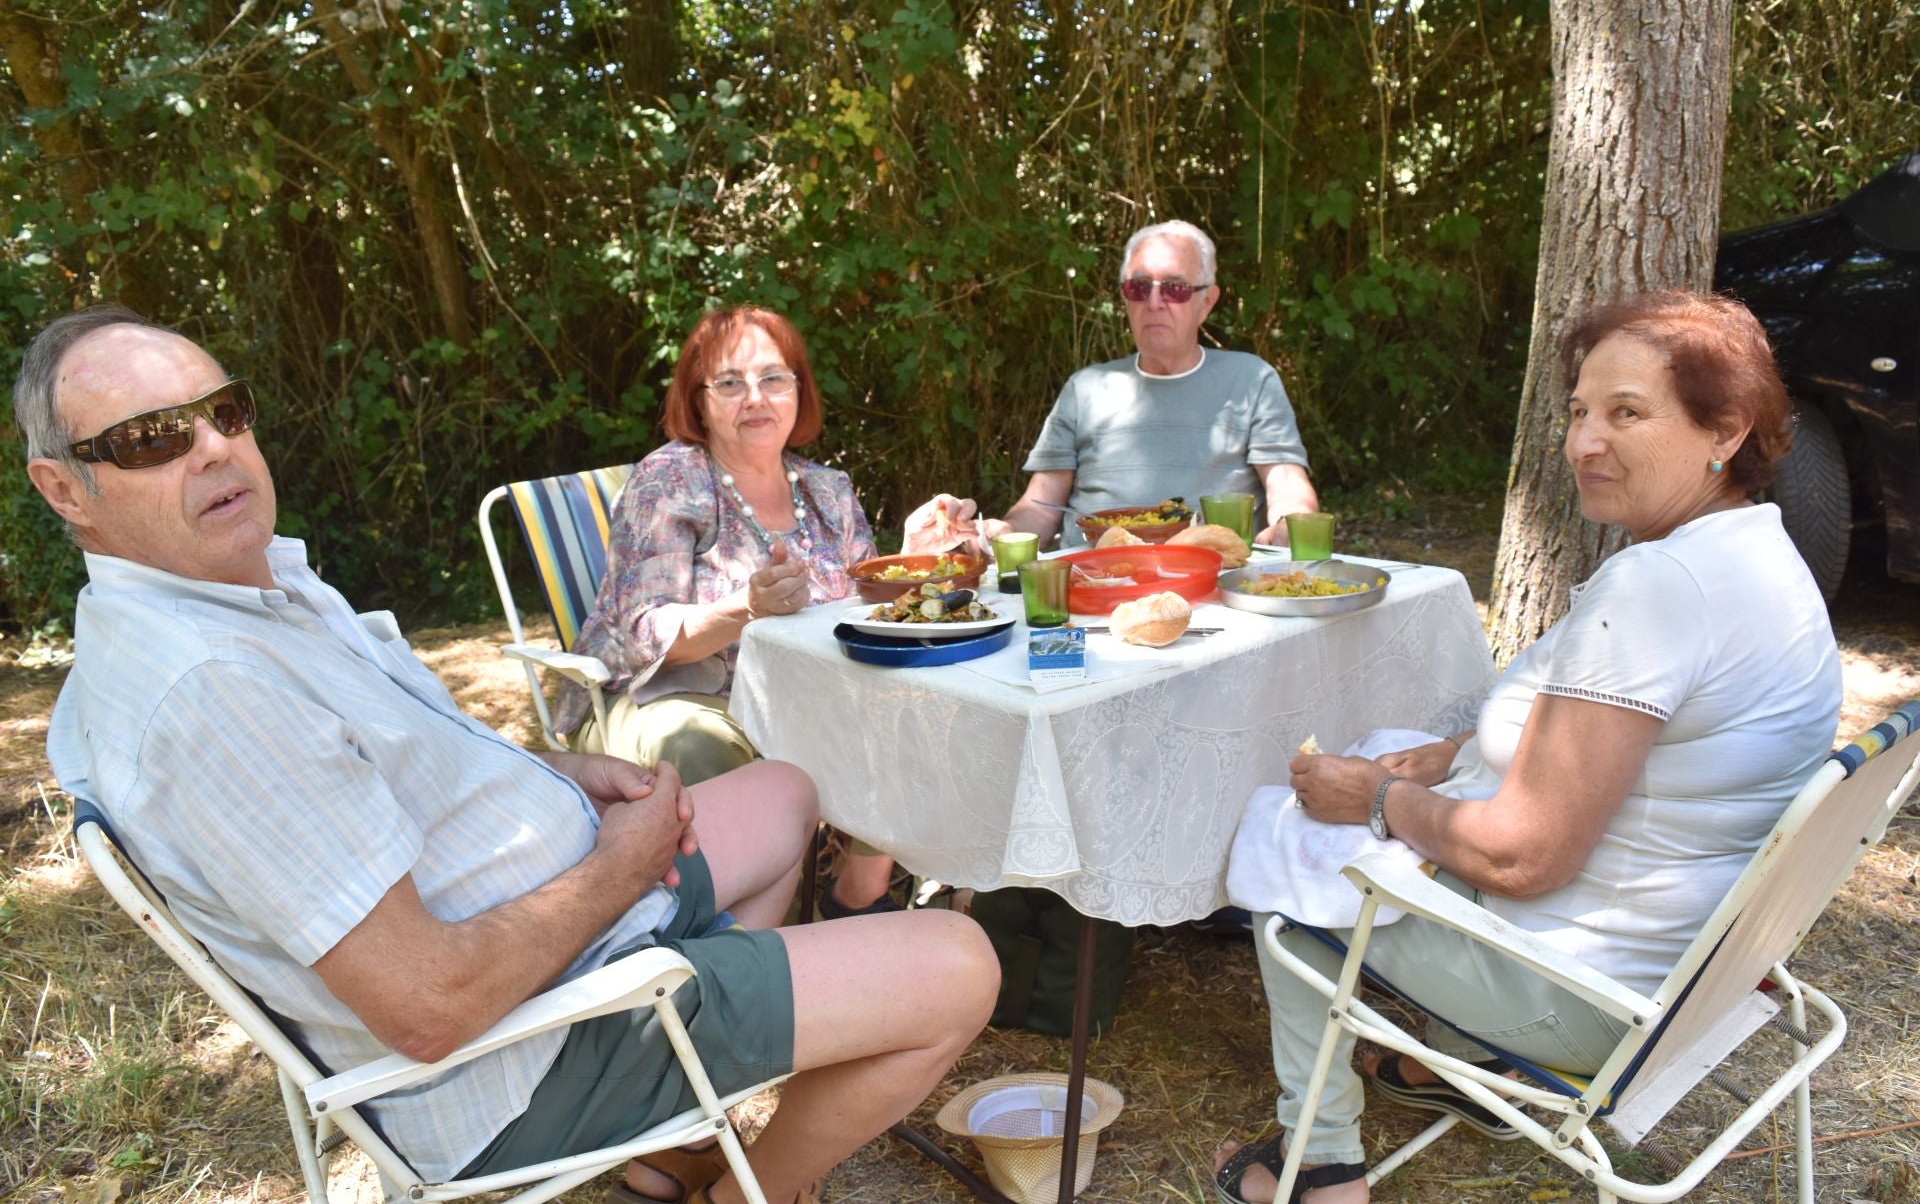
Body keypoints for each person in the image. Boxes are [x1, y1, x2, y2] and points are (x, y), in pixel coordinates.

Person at [21, 307, 1000, 1204]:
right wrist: (619, 865)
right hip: (526, 1048)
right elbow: (428, 1007)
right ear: (65, 487)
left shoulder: (247, 587)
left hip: (564, 918)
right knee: (960, 963)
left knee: (786, 790)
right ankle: (753, 1188)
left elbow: (401, 761)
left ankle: (680, 1124)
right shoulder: (209, 692)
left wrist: (562, 771)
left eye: (224, 412)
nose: (211, 447)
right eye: (152, 437)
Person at [1212, 291, 1843, 1204]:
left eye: (1627, 413)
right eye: (1580, 412)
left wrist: (1376, 802)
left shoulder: (1661, 589)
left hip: (1588, 995)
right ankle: (1451, 1066)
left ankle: (1321, 1166)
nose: (1585, 442)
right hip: (1687, 965)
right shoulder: (1757, 554)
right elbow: (1631, 749)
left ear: (1728, 429)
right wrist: (1448, 756)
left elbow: (1524, 853)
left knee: (1290, 868)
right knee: (1392, 758)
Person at [558, 305, 941, 919]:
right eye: (730, 382)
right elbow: (641, 632)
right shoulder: (670, 481)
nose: (755, 398)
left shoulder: (827, 489)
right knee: (701, 745)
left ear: (799, 390)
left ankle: (854, 897)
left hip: (803, 695)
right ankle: (750, 953)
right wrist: (745, 608)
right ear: (699, 399)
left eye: (773, 378)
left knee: (918, 702)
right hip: (674, 699)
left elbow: (864, 612)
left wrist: (920, 560)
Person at [993, 220, 1321, 548]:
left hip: (1212, 584)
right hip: (1094, 581)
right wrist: (999, 534)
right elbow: (1039, 507)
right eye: (1139, 287)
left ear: (1205, 302)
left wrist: (1288, 525)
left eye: (1173, 288)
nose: (1153, 302)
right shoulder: (1085, 389)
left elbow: (1287, 484)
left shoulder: (1250, 380)